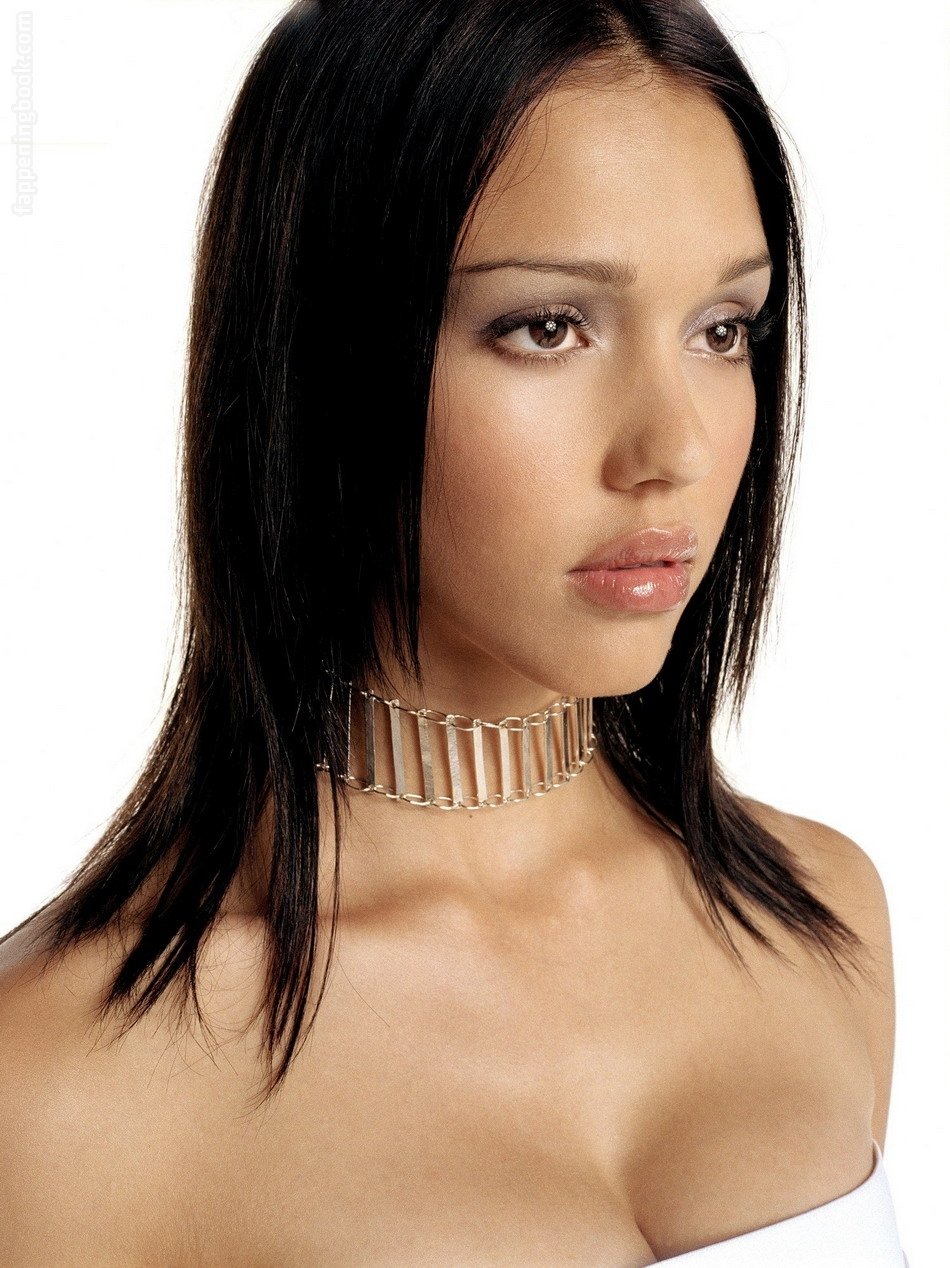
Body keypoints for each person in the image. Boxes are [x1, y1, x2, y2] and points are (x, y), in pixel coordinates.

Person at [0, 1, 907, 1263]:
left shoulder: (822, 915)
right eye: (546, 326)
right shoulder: (55, 1090)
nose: (674, 450)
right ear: (318, 352)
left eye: (721, 329)